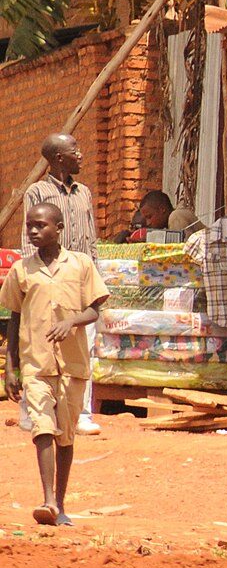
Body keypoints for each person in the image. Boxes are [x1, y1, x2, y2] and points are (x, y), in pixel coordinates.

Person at [2, 203, 109, 525]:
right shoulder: (21, 270)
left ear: (59, 228)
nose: (34, 231)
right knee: (42, 428)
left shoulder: (81, 264)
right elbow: (14, 319)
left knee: (66, 437)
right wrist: (11, 368)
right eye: (30, 226)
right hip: (36, 365)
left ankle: (60, 505)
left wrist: (71, 321)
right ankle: (47, 501)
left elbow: (95, 309)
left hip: (72, 366)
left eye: (41, 225)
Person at [20, 133, 100, 435]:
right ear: (58, 158)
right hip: (46, 276)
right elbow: (28, 234)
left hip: (78, 276)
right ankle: (32, 410)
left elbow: (91, 237)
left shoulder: (84, 192)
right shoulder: (37, 191)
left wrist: (95, 275)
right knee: (40, 343)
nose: (80, 155)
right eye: (74, 150)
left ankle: (81, 412)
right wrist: (30, 277)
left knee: (83, 344)